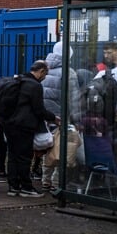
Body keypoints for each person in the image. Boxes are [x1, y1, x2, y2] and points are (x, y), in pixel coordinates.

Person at [5, 60, 56, 198]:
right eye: (45, 74)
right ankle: (26, 187)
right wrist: (53, 117)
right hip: (24, 126)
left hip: (10, 124)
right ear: (41, 71)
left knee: (13, 156)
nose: (45, 77)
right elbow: (39, 110)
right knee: (24, 158)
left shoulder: (19, 80)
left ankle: (13, 186)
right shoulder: (35, 86)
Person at [40, 42, 78, 190]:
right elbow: (73, 98)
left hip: (44, 115)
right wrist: (76, 118)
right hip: (60, 116)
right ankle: (56, 181)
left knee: (48, 147)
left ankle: (45, 180)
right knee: (62, 149)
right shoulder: (69, 73)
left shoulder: (44, 69)